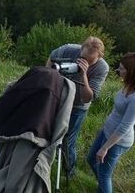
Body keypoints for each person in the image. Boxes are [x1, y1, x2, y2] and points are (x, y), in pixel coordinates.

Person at [47, 36, 109, 177]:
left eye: (90, 61)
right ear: (80, 49)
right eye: (82, 57)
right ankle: (46, 165)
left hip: (78, 106)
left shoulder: (102, 68)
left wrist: (84, 74)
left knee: (68, 140)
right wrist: (49, 78)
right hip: (58, 98)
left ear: (99, 57)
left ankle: (69, 172)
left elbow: (88, 97)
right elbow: (52, 57)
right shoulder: (69, 49)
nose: (84, 62)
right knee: (48, 131)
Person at [87, 53, 135, 193]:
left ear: (131, 72)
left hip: (118, 141)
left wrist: (105, 148)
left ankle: (103, 188)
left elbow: (125, 126)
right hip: (107, 132)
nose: (118, 71)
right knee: (91, 159)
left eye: (121, 69)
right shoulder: (126, 85)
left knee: (104, 174)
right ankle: (102, 187)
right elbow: (116, 112)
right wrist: (104, 128)